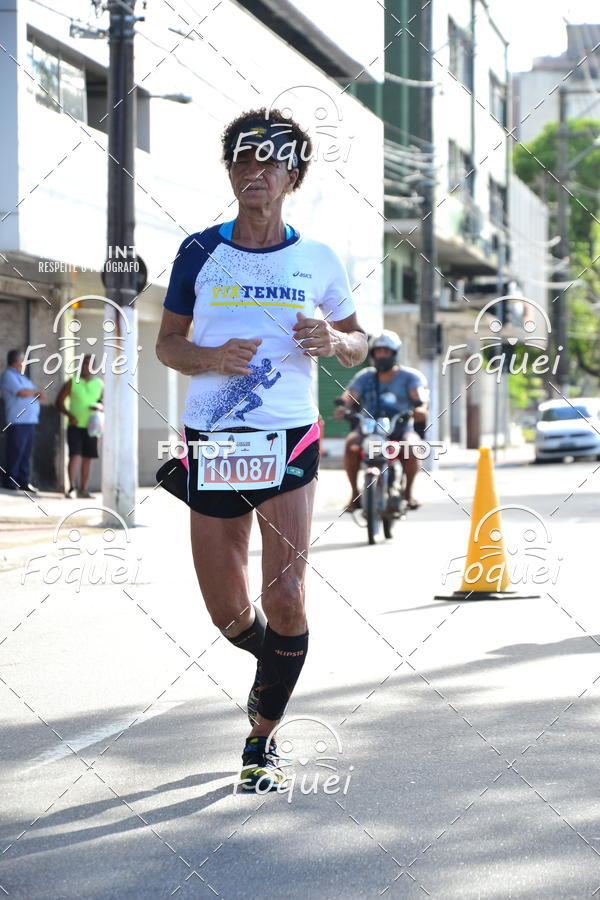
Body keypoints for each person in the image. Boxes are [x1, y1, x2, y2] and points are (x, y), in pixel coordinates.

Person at [155, 108, 367, 791]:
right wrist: (213, 357)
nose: (254, 170)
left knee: (288, 594)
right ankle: (274, 662)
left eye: (269, 160)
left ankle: (261, 737)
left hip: (290, 434)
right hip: (214, 439)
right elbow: (167, 345)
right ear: (230, 171)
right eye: (242, 159)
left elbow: (360, 338)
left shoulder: (319, 259)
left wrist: (333, 342)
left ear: (293, 175)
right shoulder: (198, 251)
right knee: (227, 610)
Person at [334, 330, 427, 511]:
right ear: (373, 354)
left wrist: (420, 410)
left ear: (394, 353)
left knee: (412, 448)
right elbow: (350, 396)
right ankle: (354, 494)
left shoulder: (411, 377)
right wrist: (343, 408)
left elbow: (421, 400)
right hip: (369, 429)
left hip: (399, 428)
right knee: (351, 444)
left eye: (386, 352)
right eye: (378, 351)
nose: (381, 355)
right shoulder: (364, 376)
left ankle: (408, 493)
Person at [56, 356, 103, 499]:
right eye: (83, 364)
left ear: (94, 367)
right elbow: (59, 402)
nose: (85, 367)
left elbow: (104, 402)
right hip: (74, 426)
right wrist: (69, 416)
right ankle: (72, 488)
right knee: (74, 456)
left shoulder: (99, 384)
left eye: (88, 364)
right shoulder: (72, 382)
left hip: (92, 427)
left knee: (88, 458)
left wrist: (100, 407)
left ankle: (83, 489)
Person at [1, 349, 46, 493]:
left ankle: (24, 481)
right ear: (16, 361)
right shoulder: (8, 375)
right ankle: (10, 481)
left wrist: (36, 394)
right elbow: (21, 393)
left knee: (26, 453)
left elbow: (31, 393)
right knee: (15, 451)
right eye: (23, 360)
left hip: (29, 421)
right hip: (17, 421)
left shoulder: (23, 378)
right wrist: (36, 392)